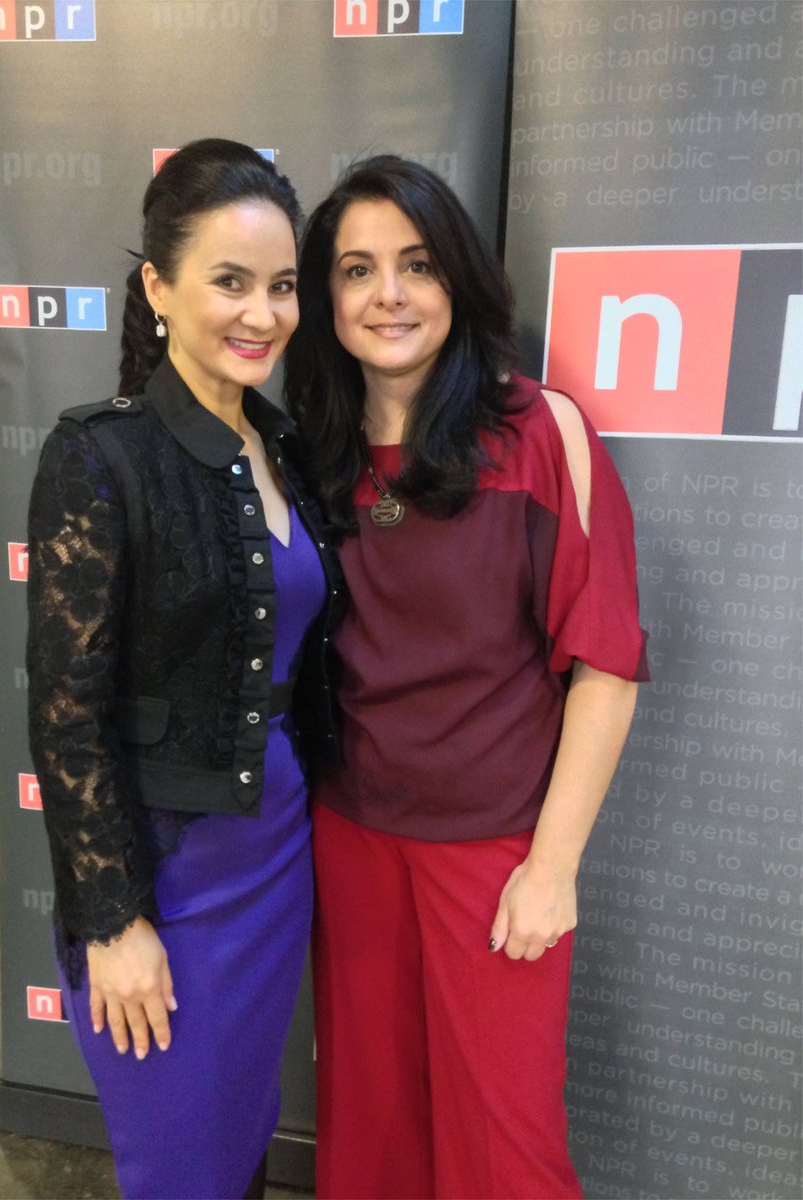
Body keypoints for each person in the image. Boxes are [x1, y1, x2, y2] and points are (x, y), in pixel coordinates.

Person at [284, 155, 649, 1200]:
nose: (387, 295)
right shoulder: (308, 451)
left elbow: (607, 664)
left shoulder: (541, 433)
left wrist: (552, 869)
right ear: (326, 298)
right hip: (349, 841)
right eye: (357, 270)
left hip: (494, 856)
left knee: (505, 1150)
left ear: (459, 279)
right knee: (373, 1133)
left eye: (417, 264)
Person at [26, 138, 343, 1200]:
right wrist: (112, 922)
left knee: (241, 1147)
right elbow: (67, 714)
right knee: (181, 1172)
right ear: (159, 288)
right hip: (167, 886)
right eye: (230, 281)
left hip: (276, 858)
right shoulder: (99, 455)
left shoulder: (287, 448)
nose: (264, 313)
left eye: (283, 286)